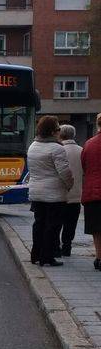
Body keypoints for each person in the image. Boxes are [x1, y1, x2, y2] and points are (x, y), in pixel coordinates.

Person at [27, 115, 72, 267]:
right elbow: (64, 172)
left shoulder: (33, 146)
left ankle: (35, 254)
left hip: (36, 192)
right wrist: (69, 185)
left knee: (38, 224)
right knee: (52, 226)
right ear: (53, 130)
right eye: (58, 128)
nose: (59, 131)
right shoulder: (57, 148)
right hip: (54, 195)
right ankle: (47, 256)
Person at [58, 124, 83, 256]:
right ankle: (67, 247)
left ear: (60, 135)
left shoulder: (58, 150)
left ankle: (56, 247)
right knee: (71, 224)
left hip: (59, 195)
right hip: (76, 195)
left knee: (56, 223)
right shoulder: (81, 150)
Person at [81, 113, 101, 271]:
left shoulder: (89, 144)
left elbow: (84, 165)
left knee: (96, 228)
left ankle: (99, 257)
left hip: (93, 192)